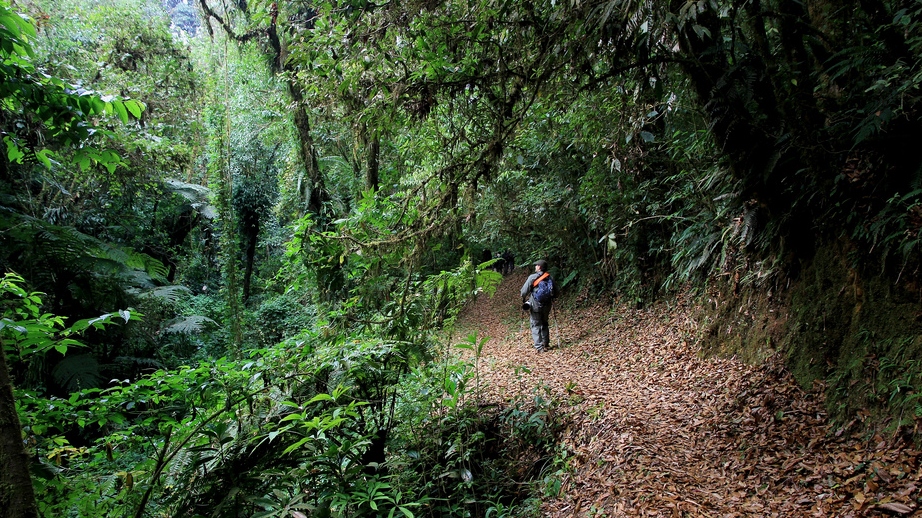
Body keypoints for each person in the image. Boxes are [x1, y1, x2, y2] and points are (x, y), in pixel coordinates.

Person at [520, 259, 559, 352]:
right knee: (544, 323)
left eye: (536, 265)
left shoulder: (532, 277)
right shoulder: (550, 278)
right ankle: (546, 343)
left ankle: (539, 347)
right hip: (547, 305)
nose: (535, 266)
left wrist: (524, 298)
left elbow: (523, 291)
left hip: (535, 305)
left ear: (539, 267)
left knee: (535, 324)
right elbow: (556, 293)